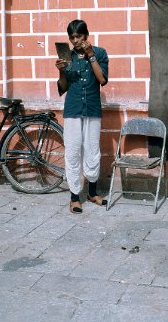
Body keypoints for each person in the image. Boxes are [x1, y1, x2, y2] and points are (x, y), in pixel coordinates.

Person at [56, 20, 109, 214]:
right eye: (72, 38)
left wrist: (91, 55)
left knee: (92, 150)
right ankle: (74, 197)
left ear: (86, 35)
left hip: (93, 108)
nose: (75, 41)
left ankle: (92, 193)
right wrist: (61, 70)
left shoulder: (100, 53)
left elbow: (102, 79)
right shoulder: (67, 56)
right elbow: (62, 87)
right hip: (73, 109)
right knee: (72, 151)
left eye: (79, 36)